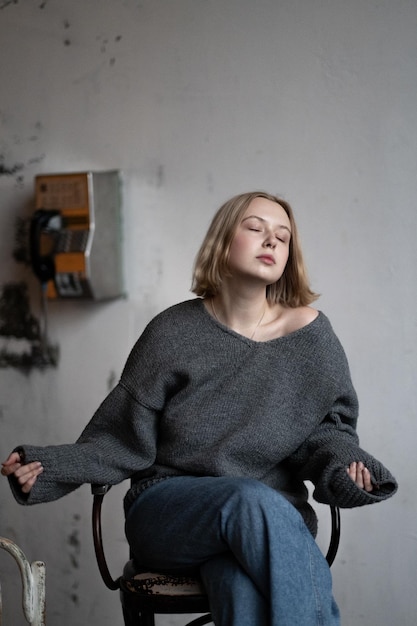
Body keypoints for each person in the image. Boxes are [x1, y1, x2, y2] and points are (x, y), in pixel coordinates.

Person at [2, 191, 397, 625]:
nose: (271, 241)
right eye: (255, 228)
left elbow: (327, 434)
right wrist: (51, 465)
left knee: (240, 590)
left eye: (282, 237)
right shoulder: (172, 332)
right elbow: (120, 436)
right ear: (223, 241)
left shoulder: (313, 339)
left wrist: (345, 468)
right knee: (249, 500)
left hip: (267, 526)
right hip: (170, 513)